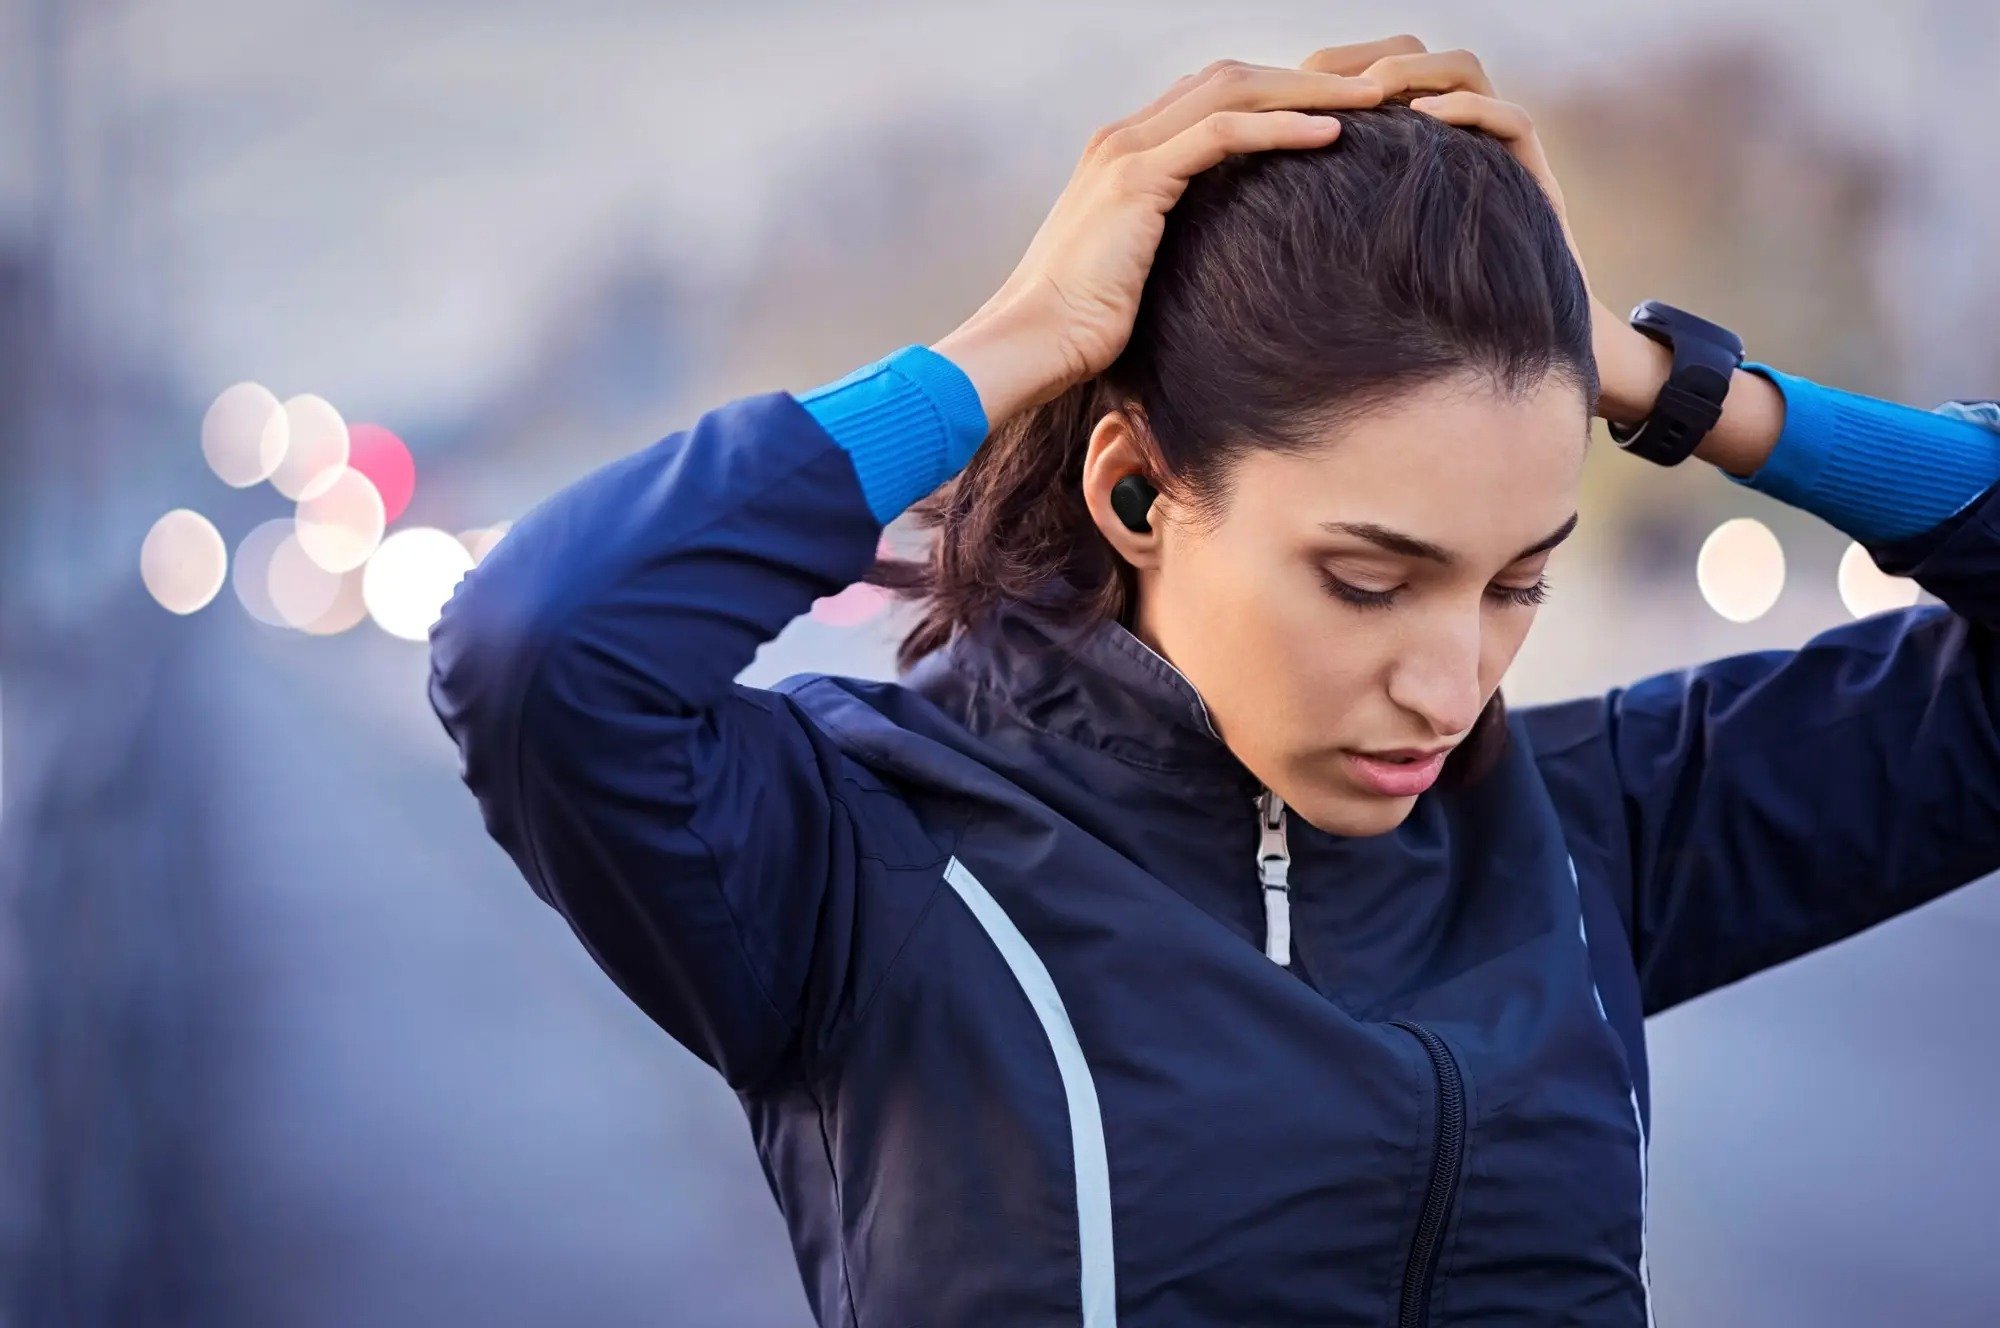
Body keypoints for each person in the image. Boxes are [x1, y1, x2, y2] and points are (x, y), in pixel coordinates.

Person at [427, 36, 2000, 1327]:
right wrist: (1012, 344)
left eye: (1517, 582)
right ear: (1134, 493)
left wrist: (1665, 379)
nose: (1450, 683)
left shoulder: (1587, 831)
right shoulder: (876, 865)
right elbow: (547, 647)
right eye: (1369, 581)